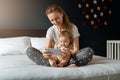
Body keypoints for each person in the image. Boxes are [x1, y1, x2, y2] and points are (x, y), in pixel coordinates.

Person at [26, 4, 94, 67]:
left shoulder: (73, 28)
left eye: (57, 18)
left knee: (89, 51)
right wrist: (54, 54)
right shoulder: (51, 30)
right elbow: (48, 49)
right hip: (55, 56)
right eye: (52, 20)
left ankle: (66, 62)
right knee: (29, 50)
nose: (55, 22)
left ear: (62, 14)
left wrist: (67, 53)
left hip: (70, 56)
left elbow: (76, 49)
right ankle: (64, 63)